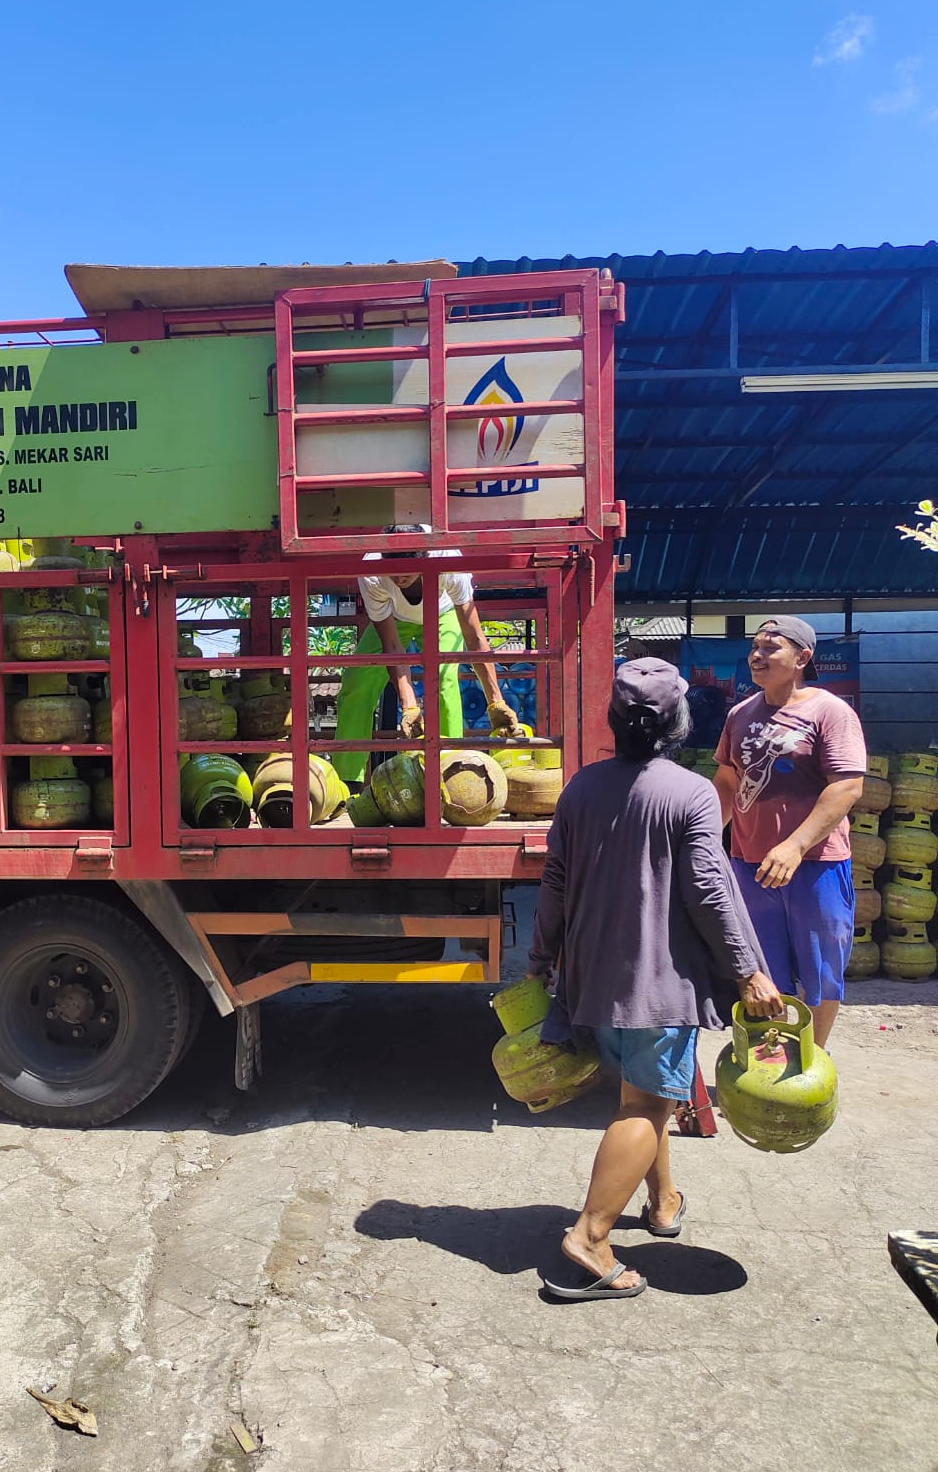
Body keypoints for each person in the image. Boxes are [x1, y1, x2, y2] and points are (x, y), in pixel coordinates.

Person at [527, 658, 782, 1301]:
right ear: (678, 723)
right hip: (658, 982)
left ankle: (663, 1200)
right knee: (647, 1103)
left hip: (592, 977)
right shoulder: (690, 792)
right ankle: (590, 1235)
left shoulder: (580, 789)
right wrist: (748, 970)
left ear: (613, 721)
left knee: (644, 1093)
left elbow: (553, 883)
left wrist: (540, 960)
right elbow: (708, 891)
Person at [713, 617, 866, 1051]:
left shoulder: (829, 712)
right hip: (750, 866)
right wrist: (702, 839)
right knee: (763, 974)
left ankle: (812, 1062)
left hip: (815, 867)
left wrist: (796, 845)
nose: (758, 656)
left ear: (802, 658)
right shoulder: (740, 714)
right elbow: (726, 782)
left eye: (771, 647)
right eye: (755, 648)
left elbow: (847, 786)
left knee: (820, 974)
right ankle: (771, 1060)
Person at [332, 526, 519, 786]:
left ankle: (450, 774)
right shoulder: (372, 573)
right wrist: (409, 707)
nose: (398, 579)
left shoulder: (449, 563)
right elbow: (392, 646)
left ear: (425, 558)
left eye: (406, 572)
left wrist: (495, 702)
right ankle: (346, 781)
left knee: (444, 678)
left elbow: (475, 637)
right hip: (395, 618)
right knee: (356, 682)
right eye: (392, 571)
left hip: (441, 613)